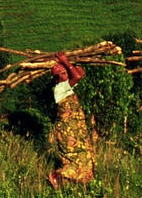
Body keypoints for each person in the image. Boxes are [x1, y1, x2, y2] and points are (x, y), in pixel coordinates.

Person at [48, 51, 94, 189]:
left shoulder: (67, 85)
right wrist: (65, 61)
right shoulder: (60, 88)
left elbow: (81, 72)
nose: (64, 75)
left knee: (85, 156)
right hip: (68, 131)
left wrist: (68, 62)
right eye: (60, 74)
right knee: (76, 157)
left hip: (76, 130)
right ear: (56, 78)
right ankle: (57, 176)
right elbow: (78, 76)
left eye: (65, 72)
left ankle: (68, 181)